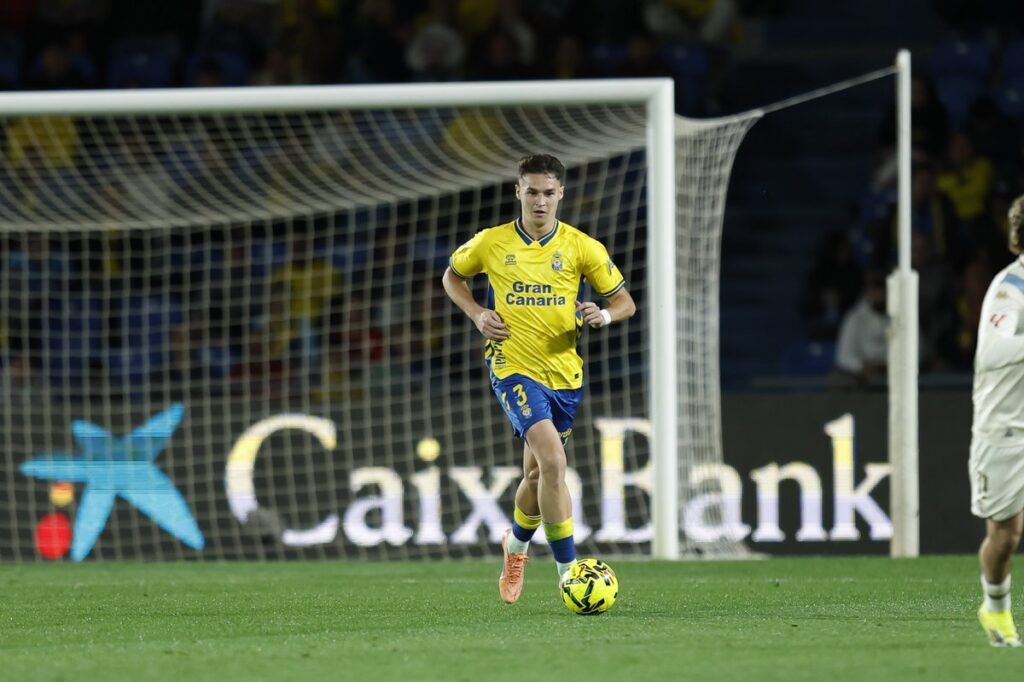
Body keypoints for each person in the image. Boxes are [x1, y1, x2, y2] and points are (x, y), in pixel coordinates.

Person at [441, 154, 636, 604]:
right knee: (553, 463)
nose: (540, 201)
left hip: (564, 374)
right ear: (518, 192)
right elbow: (453, 276)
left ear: (561, 194)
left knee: (534, 476)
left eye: (549, 192)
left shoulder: (583, 247)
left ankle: (515, 547)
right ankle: (571, 574)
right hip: (512, 368)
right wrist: (477, 313)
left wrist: (602, 313)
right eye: (532, 192)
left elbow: (624, 301)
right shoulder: (491, 243)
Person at [971, 194, 1024, 647]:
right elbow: (992, 351)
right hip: (1006, 428)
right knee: (1005, 536)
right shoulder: (1011, 288)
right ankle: (996, 609)